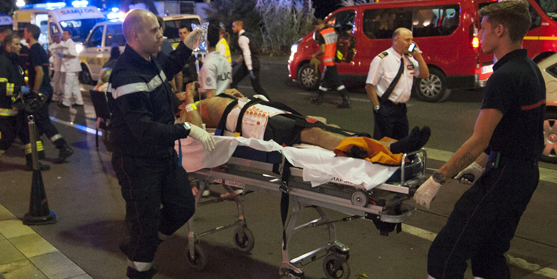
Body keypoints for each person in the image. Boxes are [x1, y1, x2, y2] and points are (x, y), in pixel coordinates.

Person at [389, 1, 544, 279]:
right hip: (521, 172)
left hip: (505, 175)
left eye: (482, 27)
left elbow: (479, 139)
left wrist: (437, 179)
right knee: (490, 251)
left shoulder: (504, 76)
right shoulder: (529, 69)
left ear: (499, 31)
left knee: (450, 245)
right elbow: (514, 130)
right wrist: (479, 165)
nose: (479, 33)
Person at [107, 9, 212, 279]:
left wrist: (187, 47)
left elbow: (164, 71)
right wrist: (187, 130)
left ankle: (144, 244)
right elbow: (145, 130)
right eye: (155, 30)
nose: (161, 35)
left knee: (182, 206)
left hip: (161, 156)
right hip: (137, 162)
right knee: (144, 224)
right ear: (136, 36)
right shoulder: (125, 77)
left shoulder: (147, 61)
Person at [182, 90, 429, 160]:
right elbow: (198, 132)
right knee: (318, 135)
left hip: (268, 113)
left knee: (326, 126)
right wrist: (190, 102)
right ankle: (384, 151)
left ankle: (391, 145)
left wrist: (232, 94)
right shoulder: (189, 112)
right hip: (260, 125)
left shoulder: (208, 99)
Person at [0, 32, 48, 173]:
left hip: (18, 106)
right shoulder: (2, 62)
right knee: (5, 138)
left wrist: (28, 93)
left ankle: (33, 163)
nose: (20, 47)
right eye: (17, 44)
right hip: (5, 108)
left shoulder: (13, 61)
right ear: (7, 45)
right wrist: (20, 89)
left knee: (29, 134)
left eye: (20, 43)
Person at [366, 27, 429, 140]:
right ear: (396, 40)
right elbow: (369, 86)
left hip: (401, 108)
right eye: (407, 40)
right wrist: (377, 107)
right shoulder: (382, 59)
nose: (410, 43)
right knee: (383, 143)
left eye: (411, 40)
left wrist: (418, 56)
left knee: (401, 142)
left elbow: (424, 75)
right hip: (386, 106)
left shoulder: (409, 59)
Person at [22, 25, 73, 163]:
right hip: (46, 89)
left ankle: (62, 147)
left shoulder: (33, 50)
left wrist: (35, 92)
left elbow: (39, 72)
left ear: (30, 34)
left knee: (43, 121)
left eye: (25, 32)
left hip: (40, 91)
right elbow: (48, 72)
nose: (23, 34)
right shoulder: (41, 49)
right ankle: (38, 152)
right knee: (38, 122)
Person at [312, 18, 351, 108]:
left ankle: (346, 100)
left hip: (328, 61)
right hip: (334, 58)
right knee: (324, 81)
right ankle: (319, 98)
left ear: (318, 26)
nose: (317, 28)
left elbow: (323, 50)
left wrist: (315, 55)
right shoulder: (332, 30)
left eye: (316, 27)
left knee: (336, 81)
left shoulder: (322, 34)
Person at [229, 20, 268, 98]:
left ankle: (237, 101)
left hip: (251, 63)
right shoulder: (246, 36)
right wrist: (236, 63)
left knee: (255, 87)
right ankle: (238, 99)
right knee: (255, 87)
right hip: (253, 62)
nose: (232, 28)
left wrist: (250, 68)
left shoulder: (242, 38)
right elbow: (244, 54)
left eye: (234, 26)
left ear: (239, 26)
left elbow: (247, 53)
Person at [198, 23, 232, 98]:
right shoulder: (224, 61)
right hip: (224, 103)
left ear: (207, 42)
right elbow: (228, 87)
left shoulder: (209, 64)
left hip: (213, 106)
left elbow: (211, 95)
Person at [54, 26, 85, 108]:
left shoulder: (70, 43)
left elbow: (73, 54)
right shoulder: (66, 43)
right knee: (74, 85)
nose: (63, 35)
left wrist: (63, 55)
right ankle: (79, 101)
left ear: (70, 35)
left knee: (68, 84)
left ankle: (66, 102)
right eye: (63, 33)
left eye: (65, 34)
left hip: (71, 68)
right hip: (72, 68)